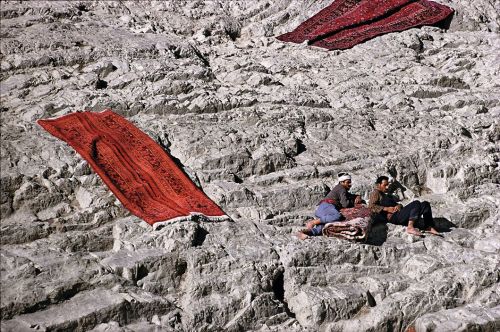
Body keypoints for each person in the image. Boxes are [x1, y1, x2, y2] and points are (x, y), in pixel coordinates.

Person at [368, 175, 440, 237]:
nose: (387, 187)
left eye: (388, 185)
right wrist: (386, 209)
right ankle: (410, 227)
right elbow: (371, 206)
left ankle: (428, 226)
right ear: (379, 185)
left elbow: (397, 204)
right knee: (416, 203)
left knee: (425, 204)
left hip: (399, 214)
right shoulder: (375, 193)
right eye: (385, 185)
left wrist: (399, 205)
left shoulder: (386, 195)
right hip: (394, 217)